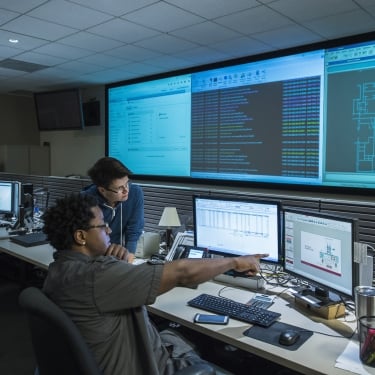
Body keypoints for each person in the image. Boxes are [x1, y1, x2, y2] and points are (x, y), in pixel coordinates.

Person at [41, 193, 267, 375]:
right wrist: (236, 261)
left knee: (178, 336)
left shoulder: (61, 269)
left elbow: (102, 288)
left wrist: (115, 265)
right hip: (145, 367)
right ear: (81, 236)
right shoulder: (97, 276)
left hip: (104, 359)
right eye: (102, 226)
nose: (109, 230)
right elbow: (182, 273)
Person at [81, 156, 144, 263]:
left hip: (120, 256)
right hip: (92, 258)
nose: (126, 190)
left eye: (127, 183)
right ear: (102, 190)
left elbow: (134, 230)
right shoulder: (84, 200)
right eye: (120, 188)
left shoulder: (135, 193)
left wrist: (129, 259)